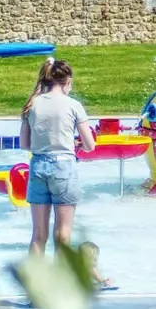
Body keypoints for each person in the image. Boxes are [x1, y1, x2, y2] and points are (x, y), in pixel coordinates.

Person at [20, 58, 98, 257]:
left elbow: (24, 145)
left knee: (38, 235)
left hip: (37, 166)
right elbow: (90, 145)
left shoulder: (31, 105)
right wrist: (75, 145)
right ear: (68, 81)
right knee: (63, 234)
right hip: (63, 168)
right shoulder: (73, 105)